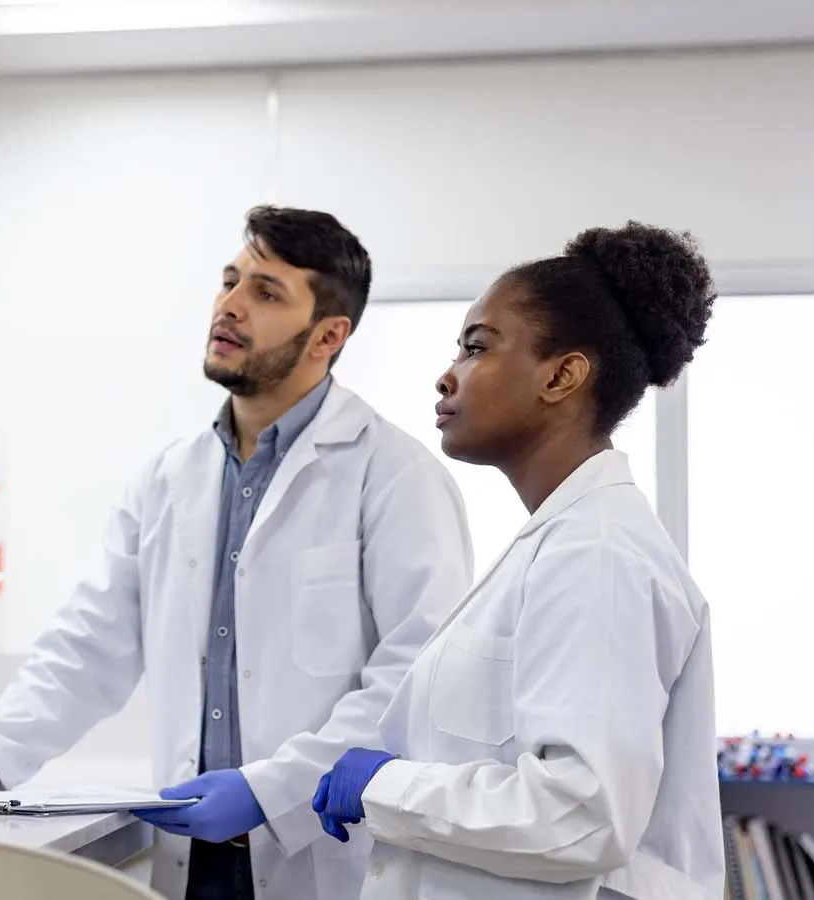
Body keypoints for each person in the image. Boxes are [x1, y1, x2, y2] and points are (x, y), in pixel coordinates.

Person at [0, 206, 475, 900]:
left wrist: (270, 789)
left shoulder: (393, 476)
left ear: (328, 335)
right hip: (193, 855)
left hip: (322, 860)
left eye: (265, 292)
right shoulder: (170, 479)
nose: (229, 306)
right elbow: (91, 646)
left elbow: (413, 680)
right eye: (230, 281)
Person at [309, 221, 723, 899]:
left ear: (562, 376)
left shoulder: (598, 553)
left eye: (477, 347)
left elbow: (581, 813)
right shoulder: (562, 540)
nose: (447, 376)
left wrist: (383, 785)